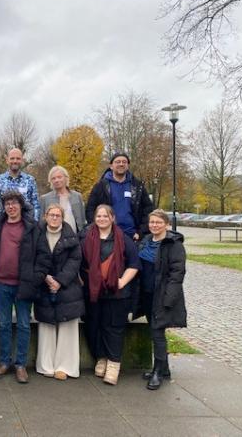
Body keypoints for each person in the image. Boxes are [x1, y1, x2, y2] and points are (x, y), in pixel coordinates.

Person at [0, 191, 50, 384]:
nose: (11, 207)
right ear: (3, 206)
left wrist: (35, 277)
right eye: (7, 203)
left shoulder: (32, 227)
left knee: (23, 325)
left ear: (21, 205)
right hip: (0, 284)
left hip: (24, 284)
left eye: (14, 203)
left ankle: (20, 364)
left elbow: (43, 255)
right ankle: (4, 362)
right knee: (3, 325)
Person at [80, 204, 140, 386]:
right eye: (98, 216)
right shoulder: (86, 237)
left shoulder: (123, 239)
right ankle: (101, 357)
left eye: (105, 216)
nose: (102, 219)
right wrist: (83, 281)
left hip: (117, 293)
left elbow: (134, 263)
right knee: (94, 326)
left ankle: (114, 364)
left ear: (112, 218)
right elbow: (77, 261)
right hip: (94, 292)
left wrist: (122, 281)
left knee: (113, 328)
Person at [138, 209, 187, 390]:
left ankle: (158, 371)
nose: (154, 225)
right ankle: (164, 369)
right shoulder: (146, 241)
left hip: (162, 294)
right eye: (152, 222)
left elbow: (177, 273)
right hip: (147, 293)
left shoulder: (173, 244)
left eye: (158, 222)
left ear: (166, 224)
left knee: (157, 332)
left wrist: (169, 298)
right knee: (154, 330)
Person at [34, 204, 84, 380]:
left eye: (57, 215)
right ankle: (46, 365)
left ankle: (65, 366)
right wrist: (46, 277)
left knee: (67, 326)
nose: (54, 218)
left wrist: (60, 281)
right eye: (51, 214)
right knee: (46, 325)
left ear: (62, 217)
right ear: (45, 216)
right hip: (44, 284)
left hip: (67, 286)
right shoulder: (37, 234)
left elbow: (75, 260)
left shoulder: (71, 236)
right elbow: (33, 257)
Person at [85, 152, 154, 240]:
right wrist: (98, 230)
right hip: (107, 237)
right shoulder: (100, 186)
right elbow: (90, 209)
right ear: (111, 166)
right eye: (117, 162)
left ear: (128, 165)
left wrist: (141, 231)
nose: (121, 164)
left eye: (124, 162)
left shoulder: (137, 186)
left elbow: (148, 209)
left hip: (132, 236)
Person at [0, 148, 40, 222]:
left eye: (18, 158)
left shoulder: (30, 180)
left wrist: (34, 224)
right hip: (3, 226)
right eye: (12, 158)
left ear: (22, 161)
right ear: (7, 160)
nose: (15, 161)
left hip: (25, 226)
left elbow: (36, 205)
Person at [39, 166, 86, 232]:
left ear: (66, 178)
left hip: (75, 236)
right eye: (53, 178)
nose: (57, 180)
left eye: (59, 177)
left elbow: (82, 219)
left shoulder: (77, 196)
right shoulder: (45, 199)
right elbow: (42, 222)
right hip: (53, 236)